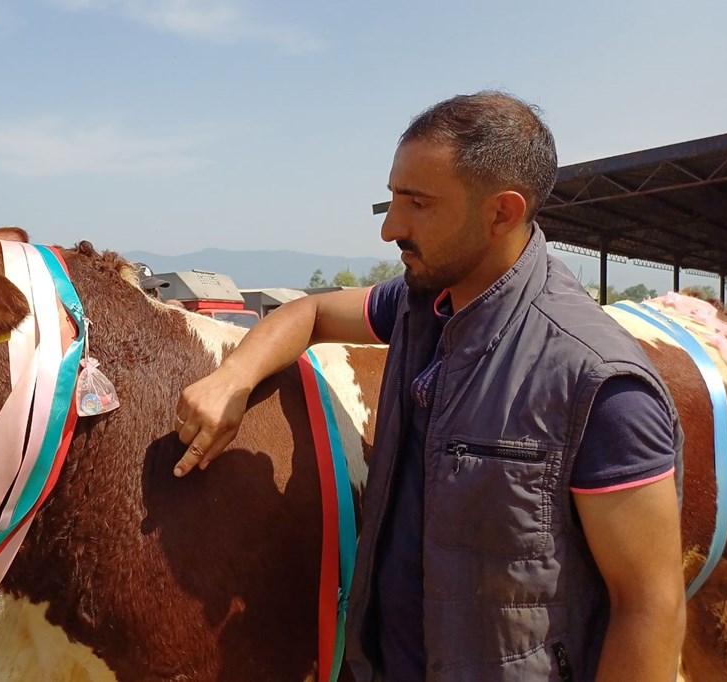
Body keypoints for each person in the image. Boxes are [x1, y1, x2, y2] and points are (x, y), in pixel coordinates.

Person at [173, 92, 685, 680]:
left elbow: (649, 605)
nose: (391, 227)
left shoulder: (598, 385)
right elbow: (309, 313)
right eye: (393, 198)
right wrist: (231, 379)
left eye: (418, 203)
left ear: (501, 212)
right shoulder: (423, 304)